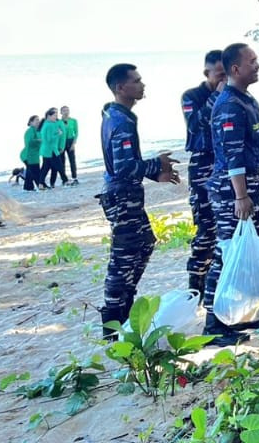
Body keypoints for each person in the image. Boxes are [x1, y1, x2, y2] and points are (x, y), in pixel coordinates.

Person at [99, 63, 181, 338]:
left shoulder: (119, 115)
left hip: (127, 195)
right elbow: (123, 167)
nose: (142, 85)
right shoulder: (120, 120)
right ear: (120, 88)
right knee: (122, 261)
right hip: (122, 198)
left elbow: (125, 163)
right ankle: (113, 324)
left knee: (144, 244)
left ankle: (124, 310)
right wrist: (156, 164)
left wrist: (155, 174)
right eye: (136, 81)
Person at [203, 43, 259, 347]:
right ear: (235, 69)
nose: (257, 65)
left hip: (250, 185)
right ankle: (213, 323)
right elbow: (232, 154)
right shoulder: (230, 105)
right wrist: (241, 196)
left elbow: (251, 149)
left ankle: (239, 315)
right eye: (252, 61)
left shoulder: (246, 99)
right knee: (228, 253)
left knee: (245, 252)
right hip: (231, 191)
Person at [180, 50, 225, 296]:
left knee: (226, 226)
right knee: (206, 227)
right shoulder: (192, 96)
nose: (223, 79)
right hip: (202, 165)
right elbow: (195, 124)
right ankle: (196, 282)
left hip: (224, 163)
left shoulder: (233, 94)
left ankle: (217, 282)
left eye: (226, 74)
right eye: (219, 74)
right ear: (206, 73)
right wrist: (216, 95)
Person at [39, 107, 69, 188]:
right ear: (49, 116)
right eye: (54, 116)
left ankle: (41, 184)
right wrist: (58, 134)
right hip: (51, 150)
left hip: (48, 150)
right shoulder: (49, 125)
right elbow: (49, 139)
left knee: (45, 168)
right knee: (59, 166)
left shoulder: (47, 124)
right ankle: (66, 181)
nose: (56, 117)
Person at [20, 116, 43, 192]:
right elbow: (29, 142)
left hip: (34, 155)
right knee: (36, 171)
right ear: (31, 122)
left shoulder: (38, 131)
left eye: (38, 120)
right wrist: (38, 140)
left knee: (30, 172)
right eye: (36, 120)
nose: (38, 121)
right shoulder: (30, 131)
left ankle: (28, 188)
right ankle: (40, 186)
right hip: (28, 155)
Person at [60, 106, 80, 185]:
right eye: (64, 111)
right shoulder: (59, 122)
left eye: (67, 110)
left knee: (72, 160)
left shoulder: (73, 121)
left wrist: (73, 143)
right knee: (62, 161)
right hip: (61, 142)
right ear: (61, 112)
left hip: (70, 141)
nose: (66, 112)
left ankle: (74, 177)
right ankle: (64, 179)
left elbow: (76, 132)